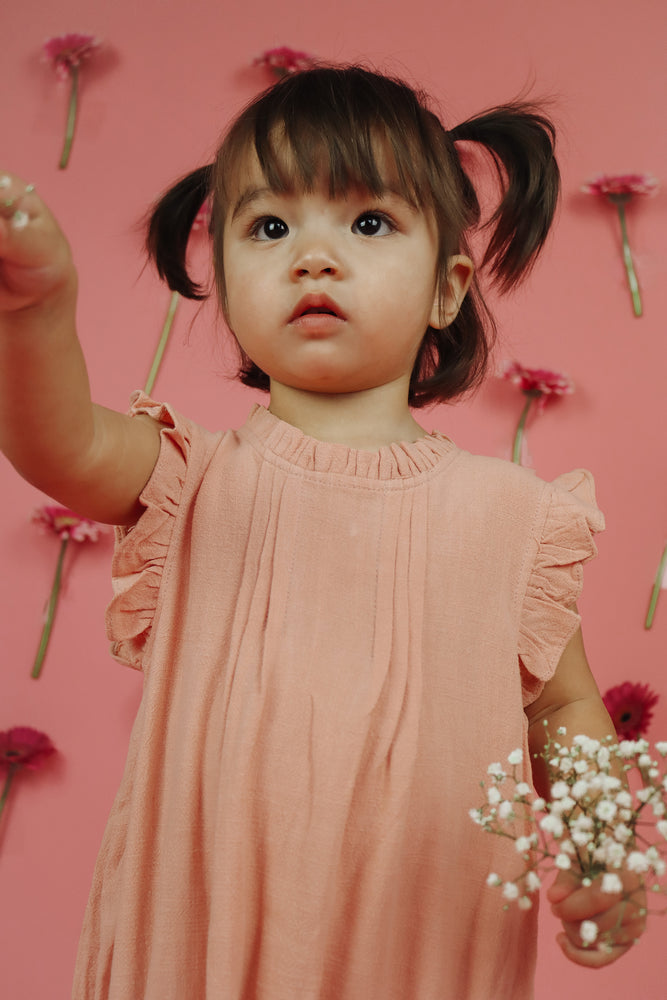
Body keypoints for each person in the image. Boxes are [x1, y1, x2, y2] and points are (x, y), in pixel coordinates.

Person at [0, 66, 645, 999]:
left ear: (447, 288)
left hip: (421, 953)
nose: (312, 256)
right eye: (269, 228)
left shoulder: (510, 518)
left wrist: (600, 847)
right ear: (225, 284)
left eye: (368, 223)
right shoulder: (191, 479)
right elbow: (57, 443)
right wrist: (33, 316)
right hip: (201, 949)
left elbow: (560, 709)